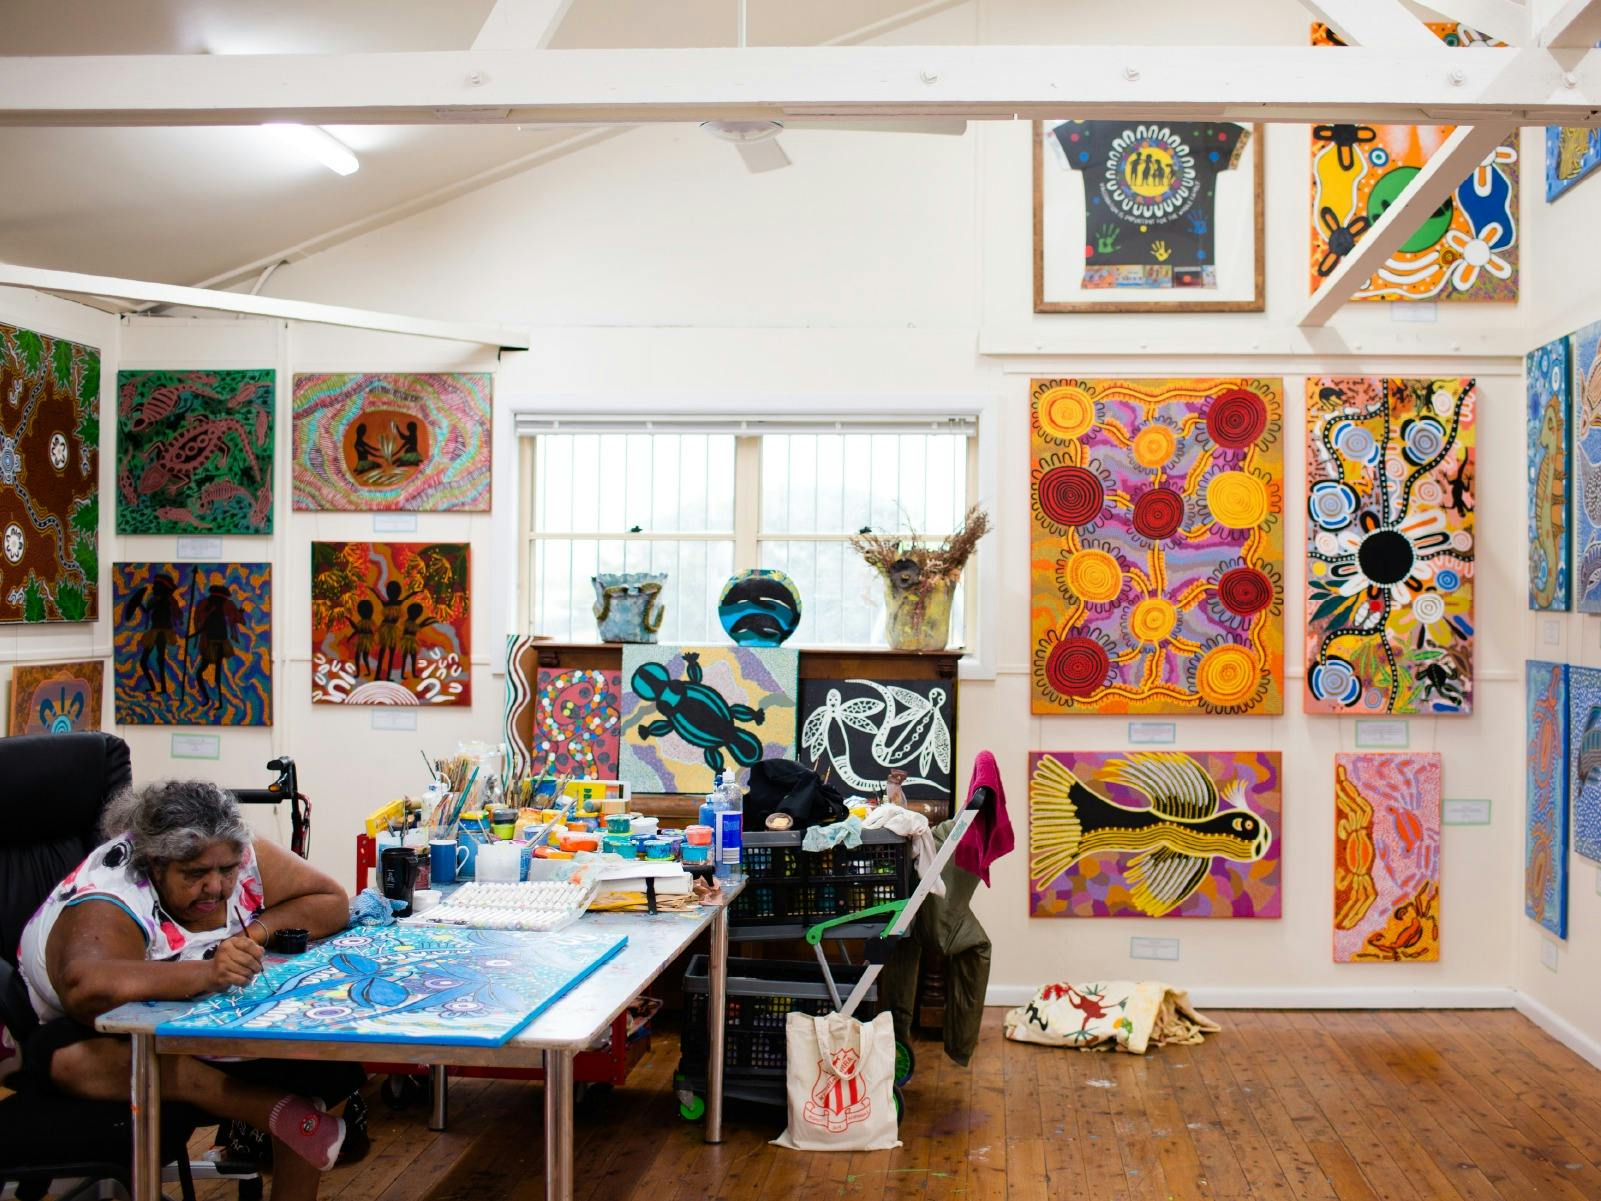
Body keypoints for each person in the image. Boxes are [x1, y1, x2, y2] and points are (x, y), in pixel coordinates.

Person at [15, 780, 362, 1201]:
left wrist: (253, 934)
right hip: (92, 1030)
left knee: (324, 1059)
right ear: (155, 864)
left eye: (227, 871)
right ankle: (269, 1109)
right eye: (195, 874)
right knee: (65, 1057)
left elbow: (330, 899)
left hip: (195, 1015)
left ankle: (293, 1148)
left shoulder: (231, 847)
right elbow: (86, 988)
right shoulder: (112, 889)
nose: (216, 888)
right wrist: (207, 972)